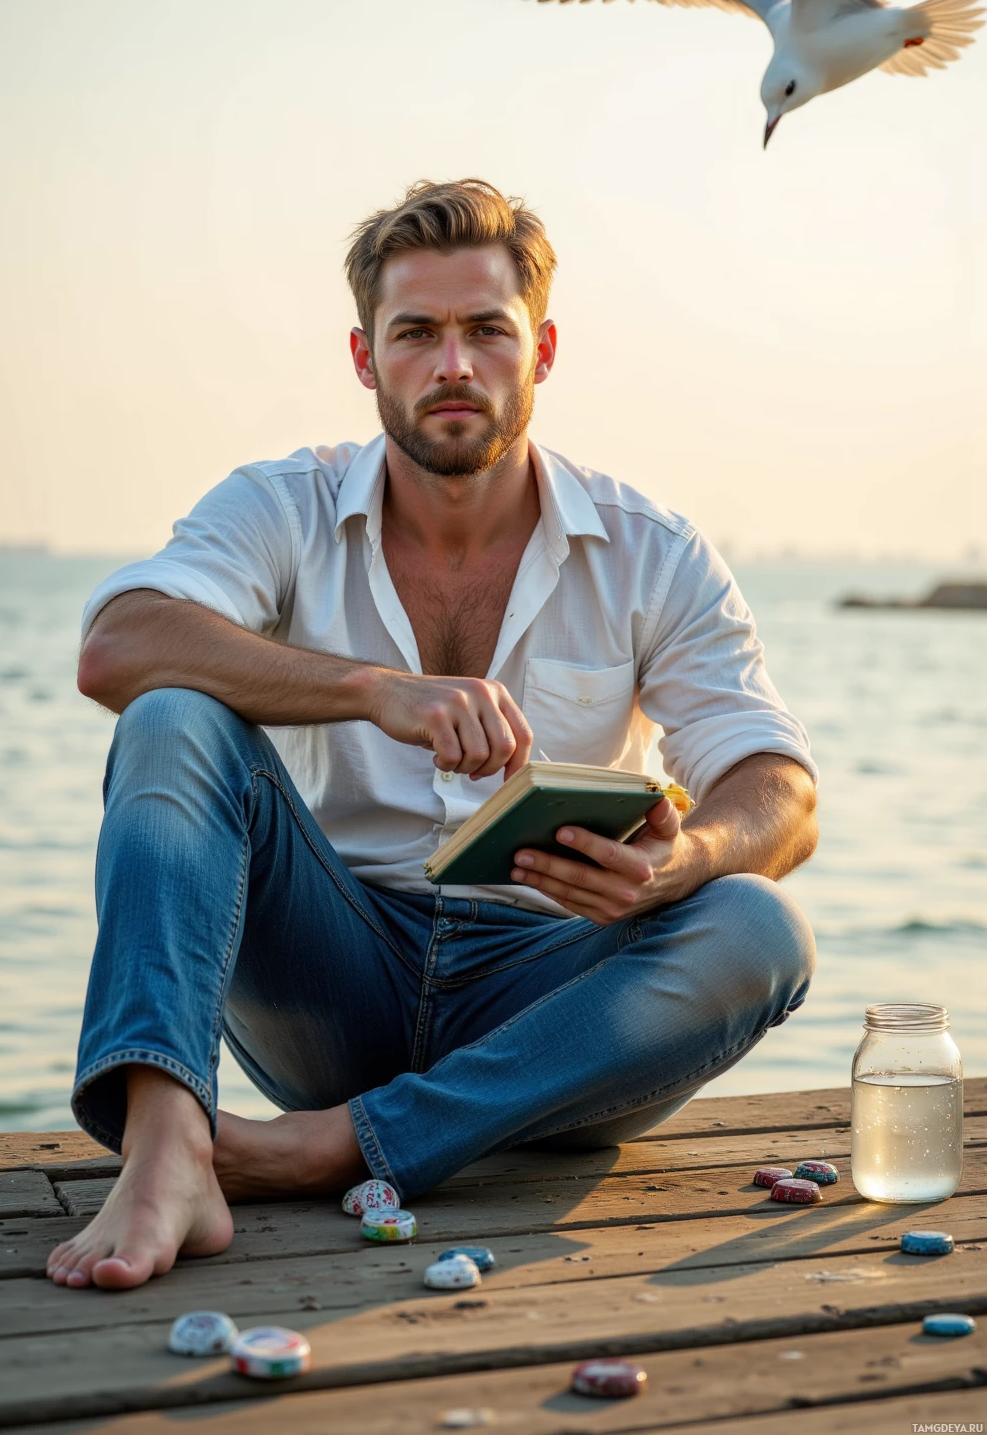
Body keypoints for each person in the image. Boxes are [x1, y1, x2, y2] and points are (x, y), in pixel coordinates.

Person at [48, 178, 818, 1292]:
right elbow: (117, 647)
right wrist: (373, 690)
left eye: (485, 332)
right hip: (329, 975)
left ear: (539, 350)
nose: (452, 364)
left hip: (553, 1010)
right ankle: (168, 1143)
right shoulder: (280, 504)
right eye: (415, 332)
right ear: (365, 358)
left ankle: (324, 1147)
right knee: (172, 715)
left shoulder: (653, 549)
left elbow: (778, 784)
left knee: (756, 923)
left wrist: (680, 862)